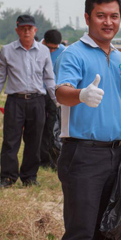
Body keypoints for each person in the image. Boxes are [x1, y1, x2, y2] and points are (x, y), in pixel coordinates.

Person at [54, 0, 121, 240]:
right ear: (88, 17)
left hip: (116, 154)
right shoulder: (74, 53)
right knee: (81, 233)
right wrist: (81, 95)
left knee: (109, 231)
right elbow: (61, 92)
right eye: (101, 16)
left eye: (114, 16)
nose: (108, 22)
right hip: (83, 155)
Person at [0, 15, 56, 188]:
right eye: (23, 28)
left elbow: (49, 79)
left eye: (29, 28)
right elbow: (0, 77)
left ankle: (30, 176)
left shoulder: (43, 51)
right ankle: (8, 177)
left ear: (35, 31)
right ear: (17, 30)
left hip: (37, 101)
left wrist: (57, 100)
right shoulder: (7, 50)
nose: (26, 31)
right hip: (15, 102)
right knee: (10, 140)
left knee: (34, 140)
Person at [39, 29, 66, 170]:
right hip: (39, 92)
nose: (52, 51)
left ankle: (53, 158)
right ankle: (42, 159)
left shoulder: (63, 51)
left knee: (53, 126)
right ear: (44, 41)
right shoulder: (36, 49)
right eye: (50, 47)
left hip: (54, 93)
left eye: (55, 48)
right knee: (40, 126)